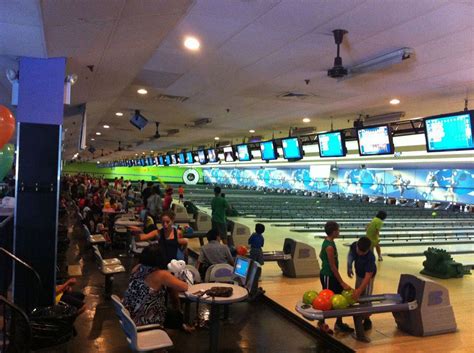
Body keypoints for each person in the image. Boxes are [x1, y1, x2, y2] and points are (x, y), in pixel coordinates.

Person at [122, 244, 191, 331]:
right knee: (177, 316)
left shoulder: (137, 268)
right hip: (145, 319)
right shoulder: (162, 275)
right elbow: (184, 287)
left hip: (130, 315)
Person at [319, 221, 353, 334]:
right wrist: (342, 282)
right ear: (333, 232)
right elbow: (333, 267)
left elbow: (321, 256)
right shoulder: (329, 247)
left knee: (340, 298)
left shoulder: (329, 242)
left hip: (330, 275)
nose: (339, 231)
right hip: (328, 275)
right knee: (326, 299)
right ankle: (322, 323)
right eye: (338, 230)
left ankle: (339, 323)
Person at [347, 237, 377, 338]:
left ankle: (367, 320)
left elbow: (368, 276)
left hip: (367, 277)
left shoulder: (370, 258)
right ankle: (361, 316)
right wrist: (349, 266)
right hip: (359, 274)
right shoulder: (354, 245)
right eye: (359, 251)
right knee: (359, 297)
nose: (360, 254)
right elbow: (351, 255)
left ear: (368, 250)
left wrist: (360, 289)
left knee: (366, 298)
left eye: (363, 253)